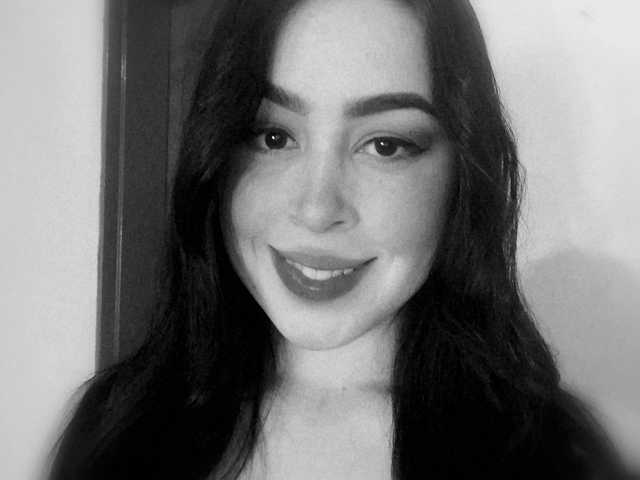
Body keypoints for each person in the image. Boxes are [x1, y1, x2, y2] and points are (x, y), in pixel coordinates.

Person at [49, 0, 630, 478]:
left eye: (385, 145)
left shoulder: (555, 459)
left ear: (462, 175)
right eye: (272, 136)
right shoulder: (115, 429)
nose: (317, 209)